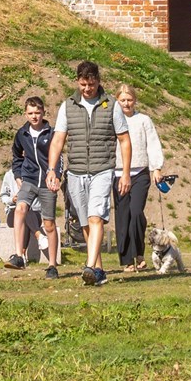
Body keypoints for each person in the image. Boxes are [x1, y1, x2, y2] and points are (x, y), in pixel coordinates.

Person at [44, 60, 130, 287]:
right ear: (78, 82)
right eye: (83, 84)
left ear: (98, 81)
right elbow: (58, 141)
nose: (87, 89)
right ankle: (99, 270)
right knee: (84, 222)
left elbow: (124, 140)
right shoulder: (68, 106)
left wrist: (126, 173)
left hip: (103, 169)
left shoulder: (111, 105)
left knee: (95, 217)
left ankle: (90, 266)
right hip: (76, 172)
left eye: (91, 84)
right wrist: (52, 170)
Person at [5, 95, 63, 277]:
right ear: (25, 114)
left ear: (43, 112)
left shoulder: (52, 133)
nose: (34, 116)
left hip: (47, 181)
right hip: (29, 179)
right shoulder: (22, 134)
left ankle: (52, 265)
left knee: (49, 224)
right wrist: (18, 175)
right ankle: (18, 255)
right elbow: (16, 156)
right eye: (30, 113)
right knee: (20, 208)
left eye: (37, 112)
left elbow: (59, 157)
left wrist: (57, 176)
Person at [116, 88, 166, 271]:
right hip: (118, 173)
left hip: (140, 173)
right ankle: (127, 259)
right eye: (122, 100)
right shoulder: (112, 120)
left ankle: (138, 253)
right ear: (117, 101)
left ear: (135, 100)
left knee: (136, 212)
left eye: (129, 99)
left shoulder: (143, 120)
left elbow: (153, 144)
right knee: (123, 216)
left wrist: (156, 168)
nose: (126, 103)